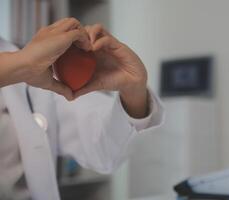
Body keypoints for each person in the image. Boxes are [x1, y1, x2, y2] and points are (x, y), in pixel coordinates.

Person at [0, 18, 164, 200]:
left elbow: (104, 151)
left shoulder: (33, 63)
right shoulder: (26, 62)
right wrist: (16, 66)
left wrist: (132, 90)